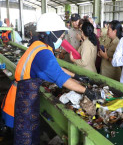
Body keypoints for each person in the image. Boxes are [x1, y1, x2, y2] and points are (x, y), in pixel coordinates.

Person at [1, 13, 95, 144]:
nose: (62, 37)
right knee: (25, 137)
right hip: (23, 100)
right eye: (61, 34)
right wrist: (86, 91)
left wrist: (76, 76)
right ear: (51, 33)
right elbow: (61, 78)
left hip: (23, 94)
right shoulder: (43, 53)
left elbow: (56, 68)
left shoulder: (39, 46)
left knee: (28, 133)